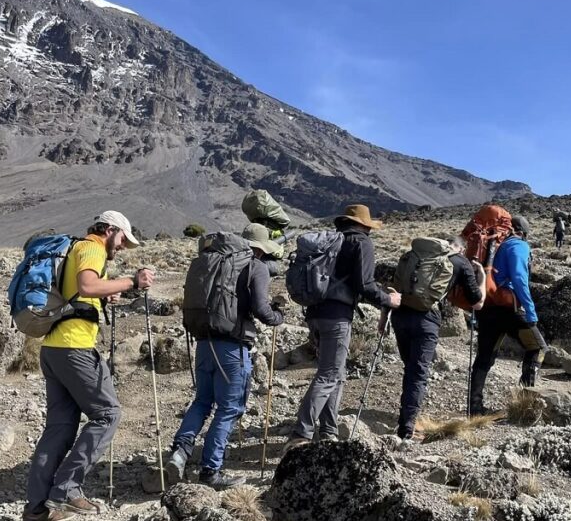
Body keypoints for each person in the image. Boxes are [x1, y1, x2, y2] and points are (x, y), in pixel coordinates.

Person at [22, 211, 155, 521]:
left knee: (58, 430)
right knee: (108, 414)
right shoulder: (92, 248)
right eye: (123, 238)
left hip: (53, 348)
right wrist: (132, 281)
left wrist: (104, 296)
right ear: (108, 230)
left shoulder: (76, 250)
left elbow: (81, 292)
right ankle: (67, 488)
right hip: (74, 348)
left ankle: (36, 513)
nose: (122, 246)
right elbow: (87, 284)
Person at [166, 223, 285, 488]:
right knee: (229, 408)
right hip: (232, 346)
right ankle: (211, 471)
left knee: (202, 402)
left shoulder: (216, 260)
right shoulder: (256, 266)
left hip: (204, 342)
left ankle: (180, 451)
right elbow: (262, 310)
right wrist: (278, 316)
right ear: (261, 249)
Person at [284, 204, 401, 451]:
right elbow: (365, 285)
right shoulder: (361, 243)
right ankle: (300, 435)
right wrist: (388, 299)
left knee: (336, 374)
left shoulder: (331, 243)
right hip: (337, 317)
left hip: (315, 314)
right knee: (328, 374)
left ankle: (328, 431)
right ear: (363, 224)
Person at [389, 236, 485, 441]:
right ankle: (407, 427)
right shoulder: (460, 262)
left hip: (399, 315)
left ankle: (407, 414)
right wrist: (482, 277)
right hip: (426, 319)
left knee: (410, 366)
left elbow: (394, 289)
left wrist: (383, 319)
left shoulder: (415, 256)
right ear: (461, 249)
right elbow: (477, 303)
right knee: (418, 372)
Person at [468, 216, 547, 416]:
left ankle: (474, 408)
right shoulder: (518, 245)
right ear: (523, 233)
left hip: (487, 306)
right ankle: (525, 401)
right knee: (537, 347)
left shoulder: (496, 246)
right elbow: (519, 278)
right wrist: (530, 310)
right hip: (508, 309)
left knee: (484, 358)